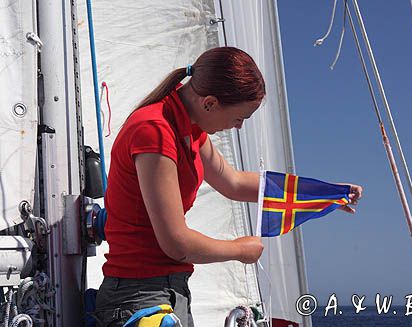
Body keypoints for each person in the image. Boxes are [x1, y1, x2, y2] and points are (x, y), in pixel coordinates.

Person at [94, 46, 362, 327]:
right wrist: (239, 250)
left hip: (167, 294)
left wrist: (322, 194)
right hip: (137, 297)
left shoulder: (189, 129)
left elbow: (233, 182)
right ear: (209, 103)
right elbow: (176, 244)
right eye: (239, 118)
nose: (238, 127)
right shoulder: (155, 130)